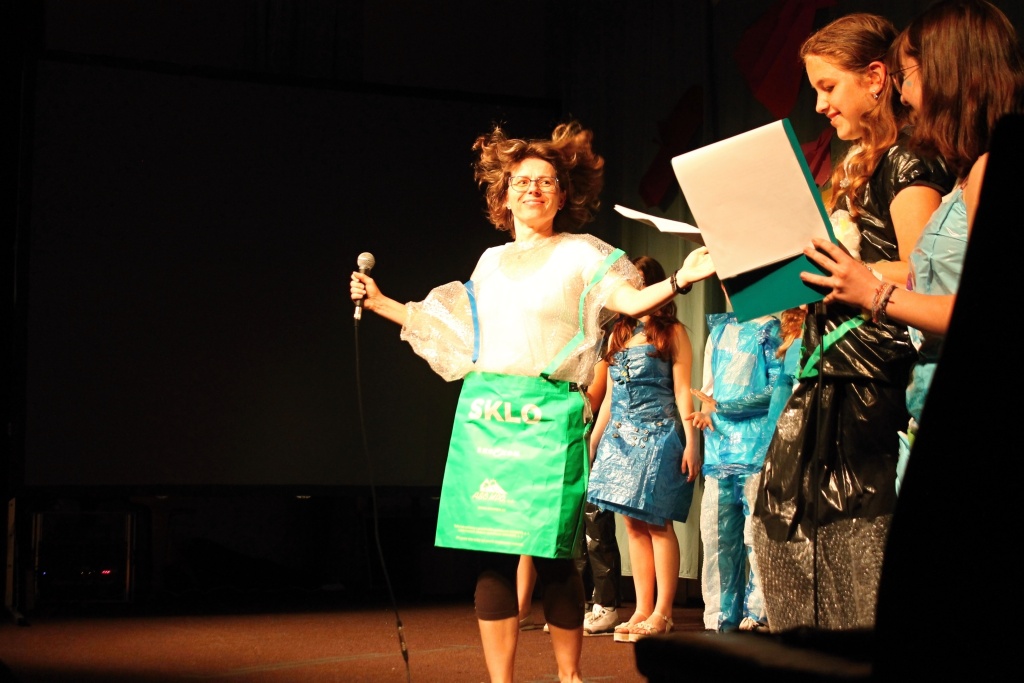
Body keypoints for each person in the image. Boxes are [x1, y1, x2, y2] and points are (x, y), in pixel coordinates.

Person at [350, 120, 715, 683]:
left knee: (553, 554)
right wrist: (383, 304)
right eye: (521, 181)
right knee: (494, 555)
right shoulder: (490, 261)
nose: (533, 190)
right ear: (503, 196)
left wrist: (680, 281)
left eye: (546, 181)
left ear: (563, 195)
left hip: (549, 417)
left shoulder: (581, 253)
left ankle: (568, 676)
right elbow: (456, 333)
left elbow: (629, 300)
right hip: (489, 415)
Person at [751, 12, 958, 633]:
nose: (819, 104)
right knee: (794, 534)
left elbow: (924, 271)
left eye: (827, 86)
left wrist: (848, 267)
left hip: (872, 381)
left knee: (852, 544)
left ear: (875, 78)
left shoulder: (908, 161)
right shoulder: (865, 161)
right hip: (836, 369)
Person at [799, 0, 1024, 488]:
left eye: (908, 75)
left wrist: (873, 289)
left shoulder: (982, 170)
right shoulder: (966, 175)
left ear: (949, 74)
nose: (903, 93)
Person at [586, 255, 699, 643]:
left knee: (657, 521)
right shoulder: (617, 335)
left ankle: (663, 612)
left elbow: (683, 391)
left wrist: (691, 442)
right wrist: (594, 441)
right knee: (631, 524)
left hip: (658, 434)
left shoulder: (672, 333)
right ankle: (641, 608)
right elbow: (610, 397)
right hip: (619, 439)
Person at [688, 293, 781, 633]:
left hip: (756, 449)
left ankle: (757, 615)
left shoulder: (771, 330)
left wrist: (724, 408)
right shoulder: (719, 331)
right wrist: (706, 414)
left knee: (756, 535)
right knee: (717, 537)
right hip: (720, 450)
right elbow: (709, 392)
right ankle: (719, 617)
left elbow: (777, 390)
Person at [518, 358, 624, 636]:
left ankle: (605, 604)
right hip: (558, 441)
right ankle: (578, 604)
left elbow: (591, 401)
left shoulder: (598, 355)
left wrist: (555, 398)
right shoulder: (554, 356)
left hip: (588, 439)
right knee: (568, 529)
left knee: (596, 526)